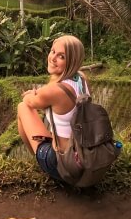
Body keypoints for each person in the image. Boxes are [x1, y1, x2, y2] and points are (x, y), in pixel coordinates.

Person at [17, 35, 89, 181]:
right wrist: (39, 95)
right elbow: (59, 105)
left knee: (22, 107)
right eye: (53, 51)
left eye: (61, 56)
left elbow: (29, 101)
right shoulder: (81, 78)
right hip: (82, 157)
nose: (53, 58)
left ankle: (39, 159)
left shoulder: (54, 90)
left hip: (60, 163)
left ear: (72, 61)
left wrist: (32, 95)